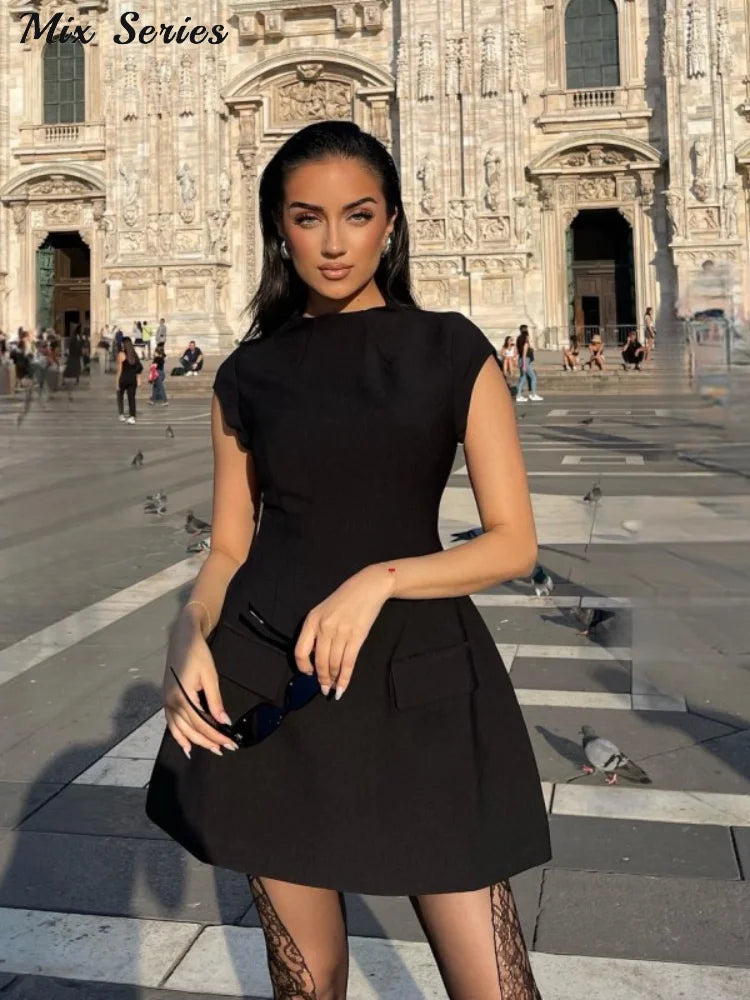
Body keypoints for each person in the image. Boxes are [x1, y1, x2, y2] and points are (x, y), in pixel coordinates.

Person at [145, 119, 550, 1000]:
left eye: (358, 215)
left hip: (419, 679)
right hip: (272, 680)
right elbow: (230, 546)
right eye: (308, 218)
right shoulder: (247, 375)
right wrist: (186, 630)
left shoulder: (451, 350)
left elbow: (513, 542)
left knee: (496, 987)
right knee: (310, 982)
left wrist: (383, 578)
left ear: (391, 223)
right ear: (278, 228)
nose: (334, 243)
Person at [115, 335, 143, 423]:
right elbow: (139, 367)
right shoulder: (134, 355)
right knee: (131, 398)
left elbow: (119, 370)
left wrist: (117, 382)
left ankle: (121, 415)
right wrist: (139, 379)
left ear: (123, 344)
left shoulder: (121, 354)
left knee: (120, 397)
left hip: (123, 379)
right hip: (132, 379)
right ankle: (132, 417)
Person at [515, 324, 543, 402]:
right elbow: (524, 353)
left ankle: (518, 395)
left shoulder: (518, 338)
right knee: (533, 377)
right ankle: (533, 395)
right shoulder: (525, 341)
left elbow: (517, 351)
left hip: (521, 359)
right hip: (525, 360)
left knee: (523, 378)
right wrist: (524, 364)